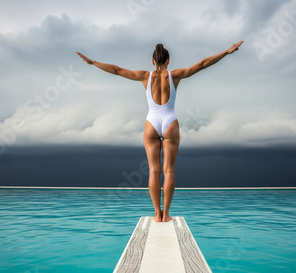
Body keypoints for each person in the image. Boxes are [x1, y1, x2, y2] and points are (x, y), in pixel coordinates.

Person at [76, 41, 243, 222]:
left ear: (153, 61)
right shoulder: (175, 75)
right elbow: (202, 64)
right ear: (168, 60)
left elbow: (116, 70)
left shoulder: (145, 76)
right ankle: (167, 215)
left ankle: (157, 214)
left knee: (154, 171)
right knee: (169, 171)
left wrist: (93, 62)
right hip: (170, 121)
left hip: (152, 123)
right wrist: (226, 52)